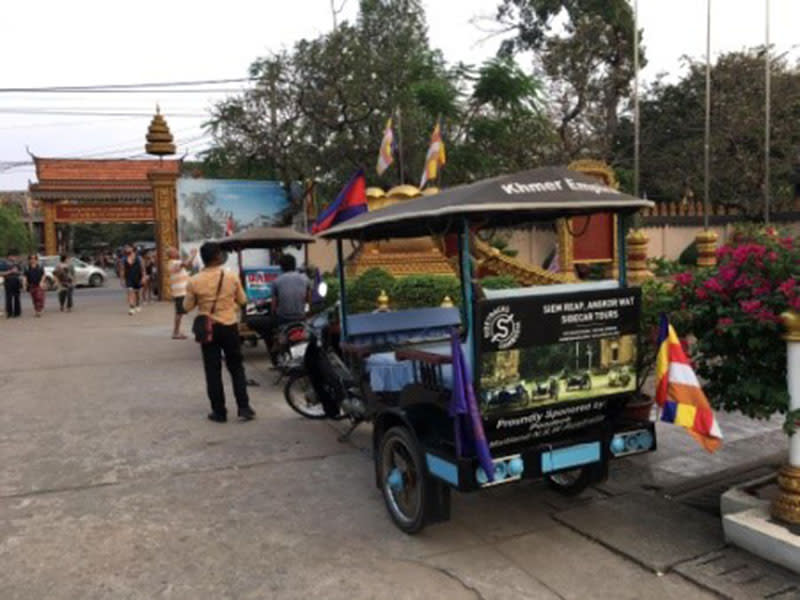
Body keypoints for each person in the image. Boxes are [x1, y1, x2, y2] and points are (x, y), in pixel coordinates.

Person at [183, 241, 255, 423]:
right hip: (229, 326)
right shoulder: (231, 277)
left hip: (208, 329)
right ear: (218, 257)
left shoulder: (194, 281)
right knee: (236, 368)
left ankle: (219, 412)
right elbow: (243, 300)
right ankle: (244, 408)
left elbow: (186, 306)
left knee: (212, 371)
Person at [259, 254, 311, 359]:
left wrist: (273, 314)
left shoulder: (276, 281)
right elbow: (308, 299)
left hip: (283, 319)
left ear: (281, 267)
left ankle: (276, 347)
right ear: (295, 265)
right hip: (301, 317)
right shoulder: (305, 279)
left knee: (266, 328)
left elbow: (274, 304)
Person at [167, 246, 196, 339]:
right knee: (179, 313)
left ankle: (177, 331)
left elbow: (188, 265)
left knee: (180, 312)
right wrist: (192, 255)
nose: (177, 252)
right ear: (171, 254)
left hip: (183, 291)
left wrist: (192, 257)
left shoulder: (176, 262)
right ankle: (176, 332)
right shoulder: (172, 263)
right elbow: (186, 263)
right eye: (175, 251)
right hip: (180, 292)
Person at [119, 245, 144, 315]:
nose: (127, 249)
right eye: (125, 248)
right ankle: (131, 308)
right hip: (129, 278)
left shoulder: (139, 258)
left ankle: (138, 304)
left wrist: (143, 277)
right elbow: (122, 270)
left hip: (138, 277)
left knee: (137, 293)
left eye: (128, 247)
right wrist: (122, 280)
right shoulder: (123, 259)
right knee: (130, 291)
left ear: (132, 248)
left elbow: (143, 269)